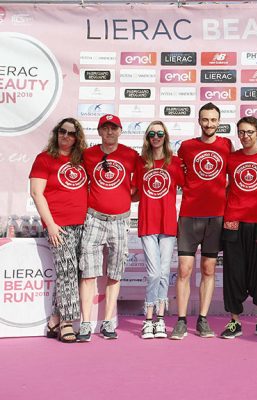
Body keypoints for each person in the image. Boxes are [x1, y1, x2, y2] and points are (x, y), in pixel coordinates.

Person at [171, 103, 233, 340]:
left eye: (213, 120)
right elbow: (177, 174)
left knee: (208, 269)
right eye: (205, 119)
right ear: (199, 121)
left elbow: (232, 176)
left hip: (216, 217)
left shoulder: (226, 145)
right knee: (184, 270)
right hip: (188, 215)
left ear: (219, 121)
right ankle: (181, 320)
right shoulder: (186, 147)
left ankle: (203, 319)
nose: (209, 124)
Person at [77, 114, 138, 341]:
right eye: (105, 128)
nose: (110, 132)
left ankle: (108, 321)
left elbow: (140, 185)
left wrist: (124, 199)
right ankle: (85, 323)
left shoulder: (131, 155)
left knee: (115, 272)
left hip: (120, 221)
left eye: (114, 128)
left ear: (120, 131)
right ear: (99, 131)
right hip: (93, 219)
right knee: (88, 272)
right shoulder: (88, 155)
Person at [29, 118, 88, 343]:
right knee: (67, 273)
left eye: (71, 133)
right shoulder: (44, 159)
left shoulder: (81, 160)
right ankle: (66, 323)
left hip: (83, 224)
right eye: (62, 132)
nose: (66, 136)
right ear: (56, 134)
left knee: (75, 274)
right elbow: (36, 193)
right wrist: (51, 224)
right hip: (58, 226)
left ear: (77, 137)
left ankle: (54, 319)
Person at [220, 117, 257, 339]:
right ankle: (234, 322)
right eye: (241, 132)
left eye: (250, 132)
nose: (245, 136)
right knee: (233, 271)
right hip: (234, 221)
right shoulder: (231, 158)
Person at [134, 121, 184, 339]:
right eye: (152, 133)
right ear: (147, 137)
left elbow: (191, 186)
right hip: (147, 223)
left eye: (160, 133)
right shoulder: (140, 163)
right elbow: (133, 191)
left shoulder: (175, 162)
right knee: (153, 273)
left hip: (168, 224)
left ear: (166, 136)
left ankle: (160, 321)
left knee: (164, 273)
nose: (156, 137)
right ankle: (148, 319)